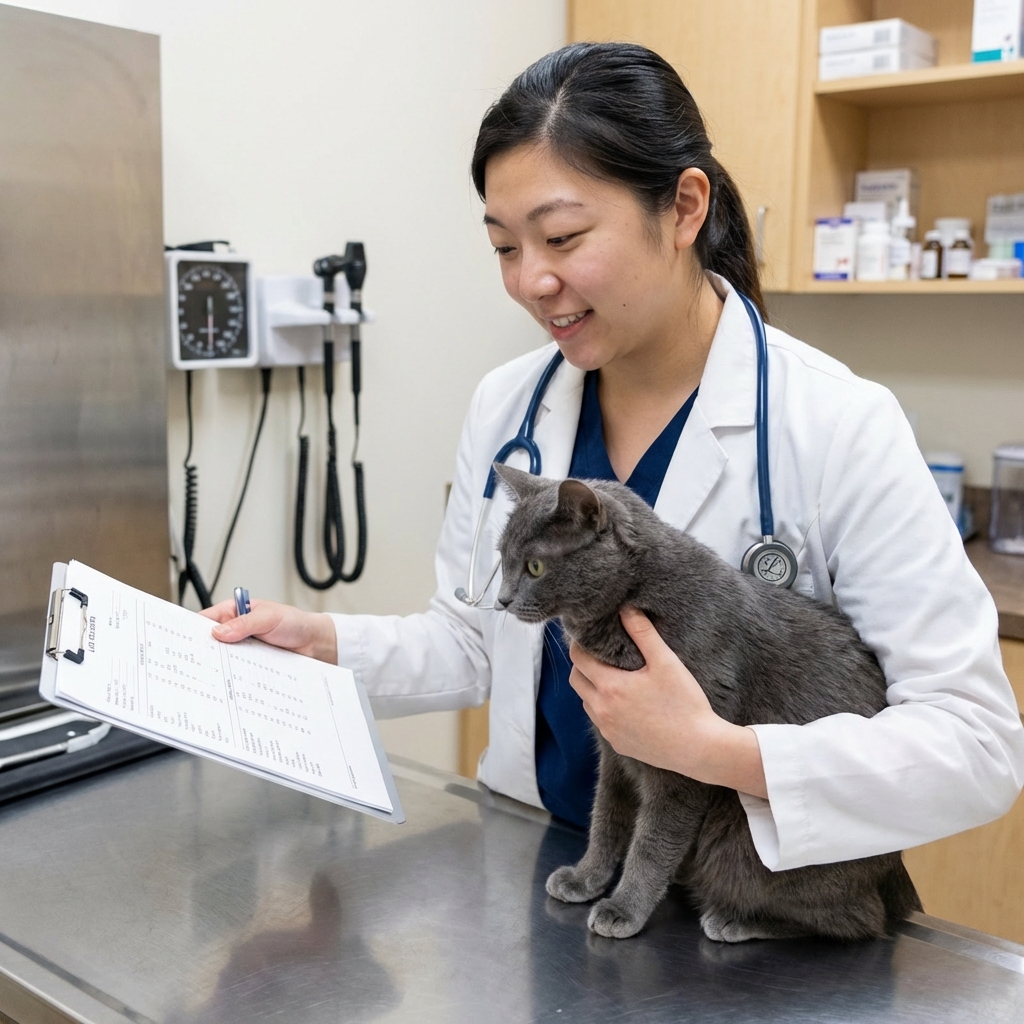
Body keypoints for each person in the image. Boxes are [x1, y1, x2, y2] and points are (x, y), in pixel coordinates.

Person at [204, 43, 1024, 871]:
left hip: (744, 907)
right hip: (549, 873)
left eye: (561, 236)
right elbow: (476, 639)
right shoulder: (509, 407)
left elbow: (976, 745)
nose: (531, 281)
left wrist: (713, 749)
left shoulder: (837, 424)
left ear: (684, 207)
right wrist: (319, 643)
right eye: (504, 248)